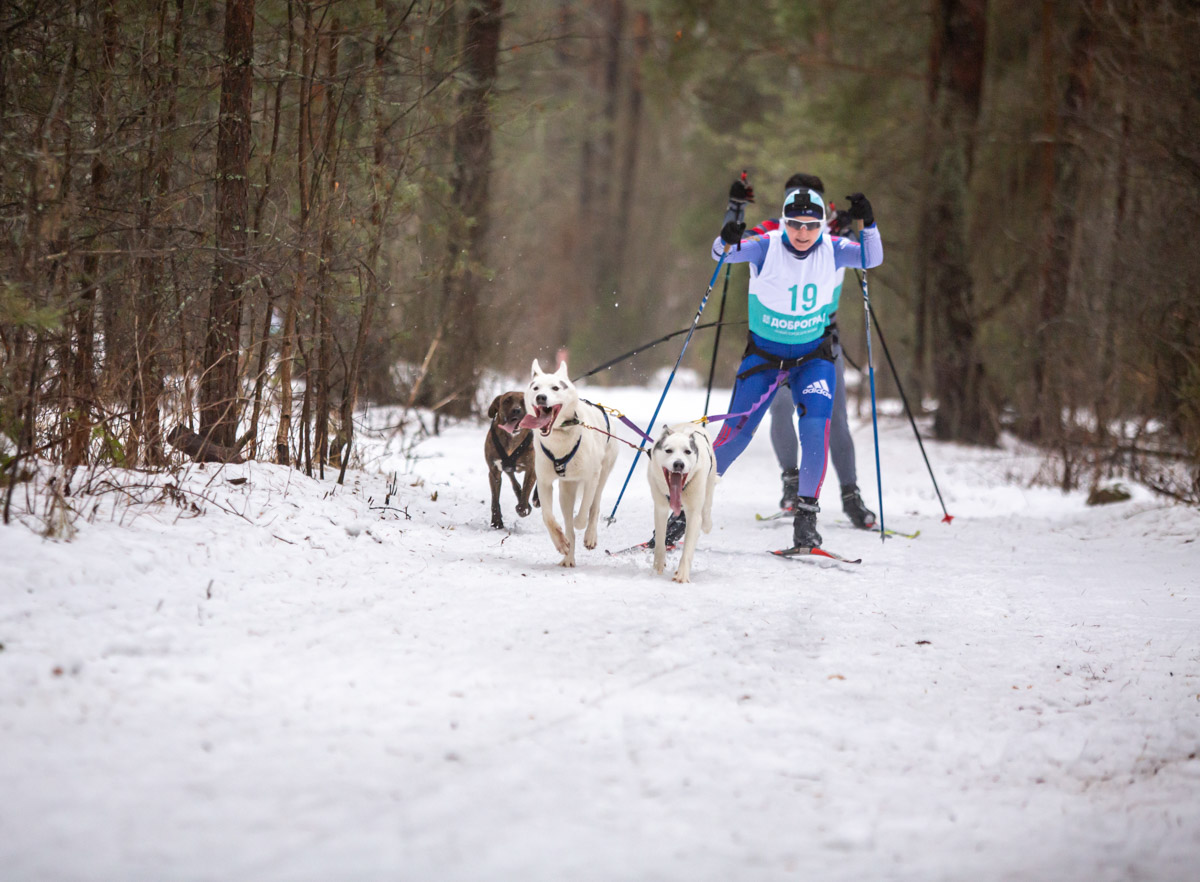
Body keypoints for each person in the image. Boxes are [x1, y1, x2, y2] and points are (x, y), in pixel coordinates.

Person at [657, 181, 883, 551]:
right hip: (764, 359)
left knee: (815, 430)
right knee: (733, 438)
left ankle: (806, 523)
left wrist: (868, 223)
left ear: (821, 225)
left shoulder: (834, 248)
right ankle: (680, 518)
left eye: (811, 225)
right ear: (784, 222)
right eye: (795, 224)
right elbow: (722, 255)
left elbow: (871, 259)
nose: (803, 232)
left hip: (813, 359)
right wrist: (727, 233)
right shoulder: (767, 245)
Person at [750, 174, 877, 530]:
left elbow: (863, 257)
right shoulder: (775, 228)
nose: (803, 221)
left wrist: (856, 229)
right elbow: (747, 241)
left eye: (814, 206)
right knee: (780, 409)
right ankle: (792, 484)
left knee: (835, 420)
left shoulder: (833, 232)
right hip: (777, 339)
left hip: (822, 339)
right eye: (795, 201)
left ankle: (851, 496)